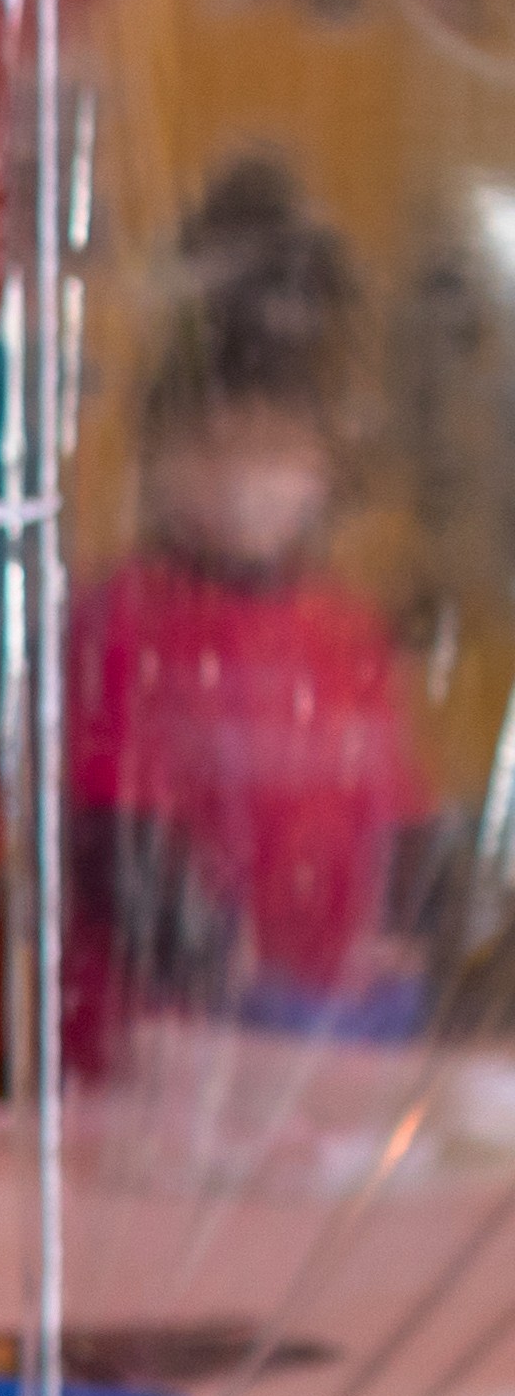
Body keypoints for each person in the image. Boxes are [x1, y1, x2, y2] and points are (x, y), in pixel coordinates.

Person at [65, 151, 428, 1068]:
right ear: (163, 451)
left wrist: (403, 943)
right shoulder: (125, 622)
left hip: (332, 1046)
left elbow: (399, 828)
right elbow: (112, 837)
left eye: (277, 445)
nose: (247, 473)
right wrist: (215, 964)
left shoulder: (347, 633)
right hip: (156, 1058)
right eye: (220, 441)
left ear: (325, 461)